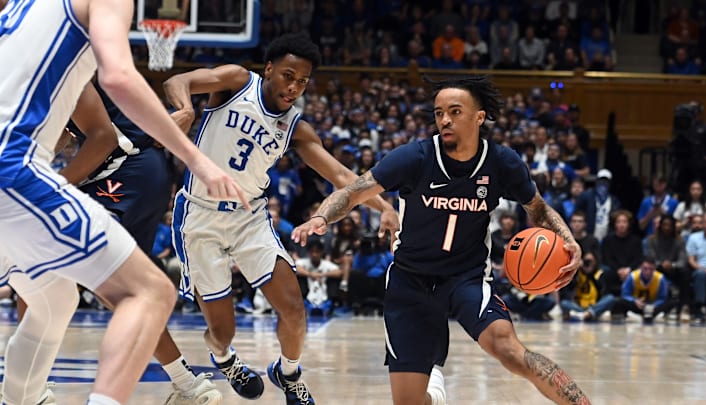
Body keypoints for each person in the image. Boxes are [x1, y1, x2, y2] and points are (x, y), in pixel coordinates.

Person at [0, 1, 245, 405]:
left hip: (58, 171)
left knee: (54, 298)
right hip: (16, 169)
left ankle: (21, 400)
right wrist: (196, 158)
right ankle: (183, 384)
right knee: (148, 292)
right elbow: (118, 76)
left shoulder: (20, 10)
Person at [292, 76, 589, 405]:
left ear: (479, 117)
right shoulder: (414, 158)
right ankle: (433, 389)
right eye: (439, 113)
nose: (445, 119)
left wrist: (567, 239)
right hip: (410, 280)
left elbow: (538, 209)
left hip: (466, 278)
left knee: (510, 351)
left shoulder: (502, 163)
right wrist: (321, 217)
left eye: (455, 111)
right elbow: (352, 192)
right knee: (409, 402)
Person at [164, 32, 399, 404]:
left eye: (302, 81)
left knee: (294, 307)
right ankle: (224, 358)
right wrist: (186, 108)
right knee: (222, 331)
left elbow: (340, 177)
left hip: (249, 218)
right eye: (288, 76)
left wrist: (385, 207)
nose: (294, 87)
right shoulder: (238, 82)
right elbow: (177, 81)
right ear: (270, 69)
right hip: (199, 216)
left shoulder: (295, 127)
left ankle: (287, 373)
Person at [611, 256, 675, 324]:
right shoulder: (632, 276)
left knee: (672, 302)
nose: (648, 272)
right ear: (640, 267)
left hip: (653, 306)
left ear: (655, 269)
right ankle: (638, 315)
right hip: (637, 305)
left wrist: (654, 305)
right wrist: (635, 301)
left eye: (651, 269)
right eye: (645, 269)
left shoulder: (660, 278)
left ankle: (652, 315)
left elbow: (662, 298)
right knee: (619, 301)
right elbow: (625, 294)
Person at [559, 251, 615, 322]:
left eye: (590, 261)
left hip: (595, 304)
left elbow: (603, 290)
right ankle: (589, 314)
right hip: (579, 305)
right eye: (586, 261)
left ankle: (587, 314)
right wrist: (576, 270)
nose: (588, 263)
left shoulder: (599, 273)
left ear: (595, 261)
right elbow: (569, 287)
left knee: (610, 298)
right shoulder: (578, 273)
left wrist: (590, 274)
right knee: (564, 303)